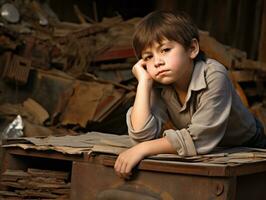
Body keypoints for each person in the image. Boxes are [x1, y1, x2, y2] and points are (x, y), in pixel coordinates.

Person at [114, 10, 266, 179]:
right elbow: (142, 136)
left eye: (165, 50)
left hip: (248, 147)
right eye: (148, 57)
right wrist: (144, 82)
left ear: (192, 49)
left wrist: (142, 149)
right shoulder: (159, 84)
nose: (157, 62)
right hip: (210, 155)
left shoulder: (214, 75)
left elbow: (200, 137)